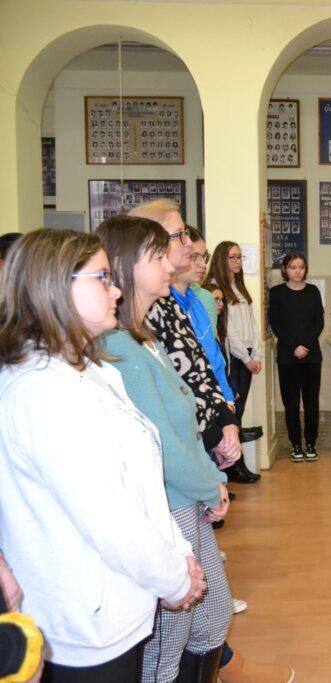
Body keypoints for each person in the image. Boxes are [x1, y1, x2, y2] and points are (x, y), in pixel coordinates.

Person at [0, 229, 202, 681]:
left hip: (118, 605)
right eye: (102, 278)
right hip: (83, 627)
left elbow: (142, 482)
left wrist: (180, 555)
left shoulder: (89, 369)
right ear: (54, 287)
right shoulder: (42, 392)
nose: (116, 291)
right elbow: (111, 519)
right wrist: (175, 578)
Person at [97, 215, 234, 683]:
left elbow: (184, 425)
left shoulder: (143, 335)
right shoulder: (118, 346)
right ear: (126, 266)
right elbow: (162, 445)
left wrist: (212, 481)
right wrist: (211, 487)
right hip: (169, 504)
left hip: (189, 497)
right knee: (166, 644)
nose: (169, 265)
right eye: (157, 256)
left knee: (212, 616)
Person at [128, 202, 249, 487]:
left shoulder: (174, 304)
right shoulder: (134, 322)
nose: (188, 244)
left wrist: (225, 419)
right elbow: (175, 393)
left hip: (202, 437)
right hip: (178, 459)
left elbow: (201, 366)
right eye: (179, 235)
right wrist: (214, 438)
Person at [268, 252, 324, 463]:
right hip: (287, 357)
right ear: (285, 269)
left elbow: (318, 322)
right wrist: (294, 347)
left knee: (311, 404)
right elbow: (276, 324)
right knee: (291, 404)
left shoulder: (313, 291)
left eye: (301, 267)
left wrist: (305, 346)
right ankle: (296, 445)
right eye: (293, 267)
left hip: (311, 357)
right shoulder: (277, 292)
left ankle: (310, 443)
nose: (297, 271)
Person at [172, 226, 235, 411]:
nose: (202, 265)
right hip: (194, 406)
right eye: (194, 257)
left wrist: (227, 398)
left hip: (215, 399)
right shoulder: (166, 308)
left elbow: (214, 356)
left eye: (204, 257)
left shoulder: (196, 302)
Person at [206, 241, 263, 432]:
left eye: (240, 257)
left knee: (240, 409)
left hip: (247, 355)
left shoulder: (239, 286)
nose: (238, 261)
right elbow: (228, 328)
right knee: (231, 409)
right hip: (233, 356)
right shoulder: (215, 288)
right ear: (221, 259)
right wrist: (247, 359)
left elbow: (252, 323)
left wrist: (256, 354)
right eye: (233, 257)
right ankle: (232, 449)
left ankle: (236, 448)